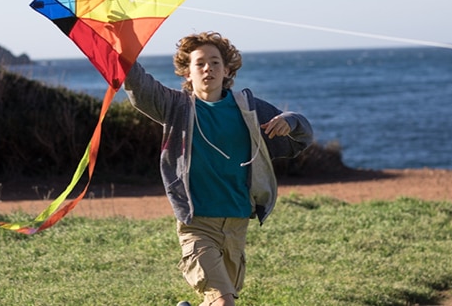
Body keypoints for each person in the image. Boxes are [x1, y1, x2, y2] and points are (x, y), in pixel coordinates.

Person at [124, 31, 313, 306]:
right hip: (197, 225)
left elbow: (302, 138)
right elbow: (139, 87)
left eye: (215, 62)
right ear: (187, 73)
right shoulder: (176, 107)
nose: (207, 68)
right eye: (199, 63)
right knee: (223, 301)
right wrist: (121, 48)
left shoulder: (249, 109)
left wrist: (291, 120)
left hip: (236, 224)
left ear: (227, 70)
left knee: (217, 300)